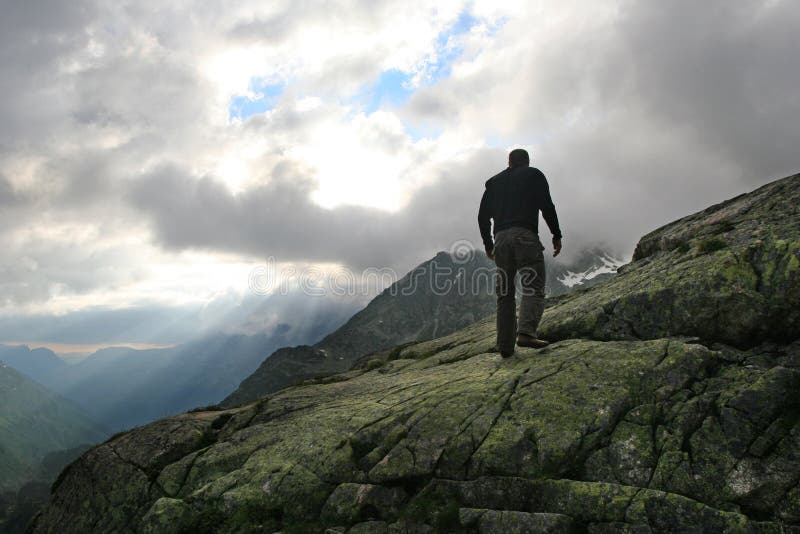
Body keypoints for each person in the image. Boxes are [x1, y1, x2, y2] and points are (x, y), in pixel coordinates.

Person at [478, 148, 563, 357]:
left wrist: (489, 245)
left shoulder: (493, 183)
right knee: (533, 285)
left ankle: (505, 346)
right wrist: (556, 234)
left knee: (504, 294)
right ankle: (525, 333)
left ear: (509, 162)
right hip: (525, 236)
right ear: (526, 161)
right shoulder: (533, 174)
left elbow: (482, 217)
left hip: (500, 240)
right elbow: (546, 206)